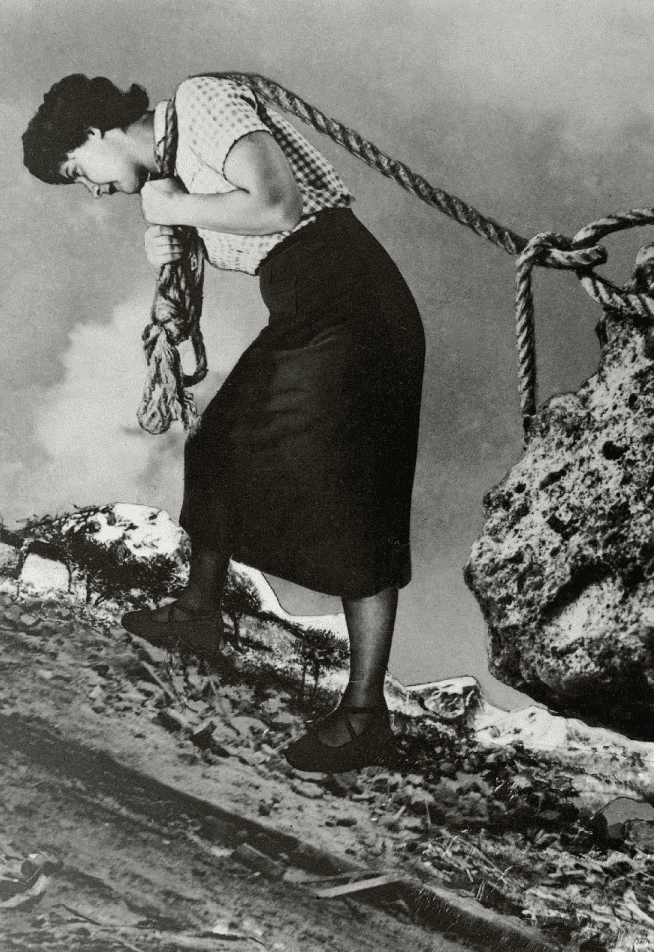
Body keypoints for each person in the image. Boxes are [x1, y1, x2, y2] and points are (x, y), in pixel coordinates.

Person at [22, 74, 426, 774]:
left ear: (92, 135)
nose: (90, 188)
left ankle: (365, 716)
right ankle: (200, 615)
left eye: (75, 171)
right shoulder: (174, 167)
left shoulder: (203, 102)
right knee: (219, 447)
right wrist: (179, 234)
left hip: (354, 307)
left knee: (356, 505)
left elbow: (276, 206)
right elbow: (248, 229)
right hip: (308, 306)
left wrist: (179, 207)